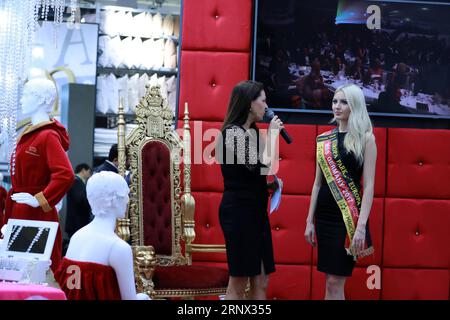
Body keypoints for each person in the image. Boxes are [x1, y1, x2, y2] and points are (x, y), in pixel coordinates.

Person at [305, 84, 377, 300]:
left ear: (354, 106)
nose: (337, 106)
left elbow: (370, 185)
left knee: (336, 281)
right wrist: (309, 221)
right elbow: (317, 184)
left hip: (349, 220)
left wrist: (362, 227)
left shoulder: (366, 139)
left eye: (343, 102)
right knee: (330, 282)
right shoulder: (324, 140)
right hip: (324, 218)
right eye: (335, 101)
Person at [216, 80, 284, 300]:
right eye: (263, 101)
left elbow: (258, 172)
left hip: (256, 212)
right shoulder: (232, 133)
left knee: (262, 279)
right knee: (239, 279)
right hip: (239, 212)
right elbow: (256, 163)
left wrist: (271, 185)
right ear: (248, 103)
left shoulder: (253, 133)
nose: (266, 106)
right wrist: (273, 135)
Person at [3, 77, 74, 272]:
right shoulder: (30, 134)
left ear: (42, 99)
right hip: (20, 209)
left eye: (26, 95)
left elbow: (65, 174)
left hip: (36, 214)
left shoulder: (47, 136)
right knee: (16, 268)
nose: (21, 100)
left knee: (34, 271)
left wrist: (40, 200)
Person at [55, 171, 149, 300]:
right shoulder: (118, 248)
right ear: (114, 200)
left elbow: (70, 290)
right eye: (126, 195)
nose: (128, 200)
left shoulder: (77, 237)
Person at [65, 163, 92, 240]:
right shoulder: (76, 181)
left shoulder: (76, 181)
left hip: (76, 222)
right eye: (89, 172)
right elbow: (80, 200)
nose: (89, 175)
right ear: (83, 170)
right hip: (77, 222)